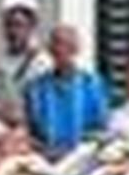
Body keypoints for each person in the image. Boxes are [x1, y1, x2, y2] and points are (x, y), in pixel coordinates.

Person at [25, 25, 108, 158]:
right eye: (55, 44)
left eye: (65, 45)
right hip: (45, 157)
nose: (59, 49)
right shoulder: (36, 88)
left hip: (82, 158)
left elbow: (101, 127)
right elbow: (30, 129)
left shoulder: (92, 85)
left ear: (76, 49)